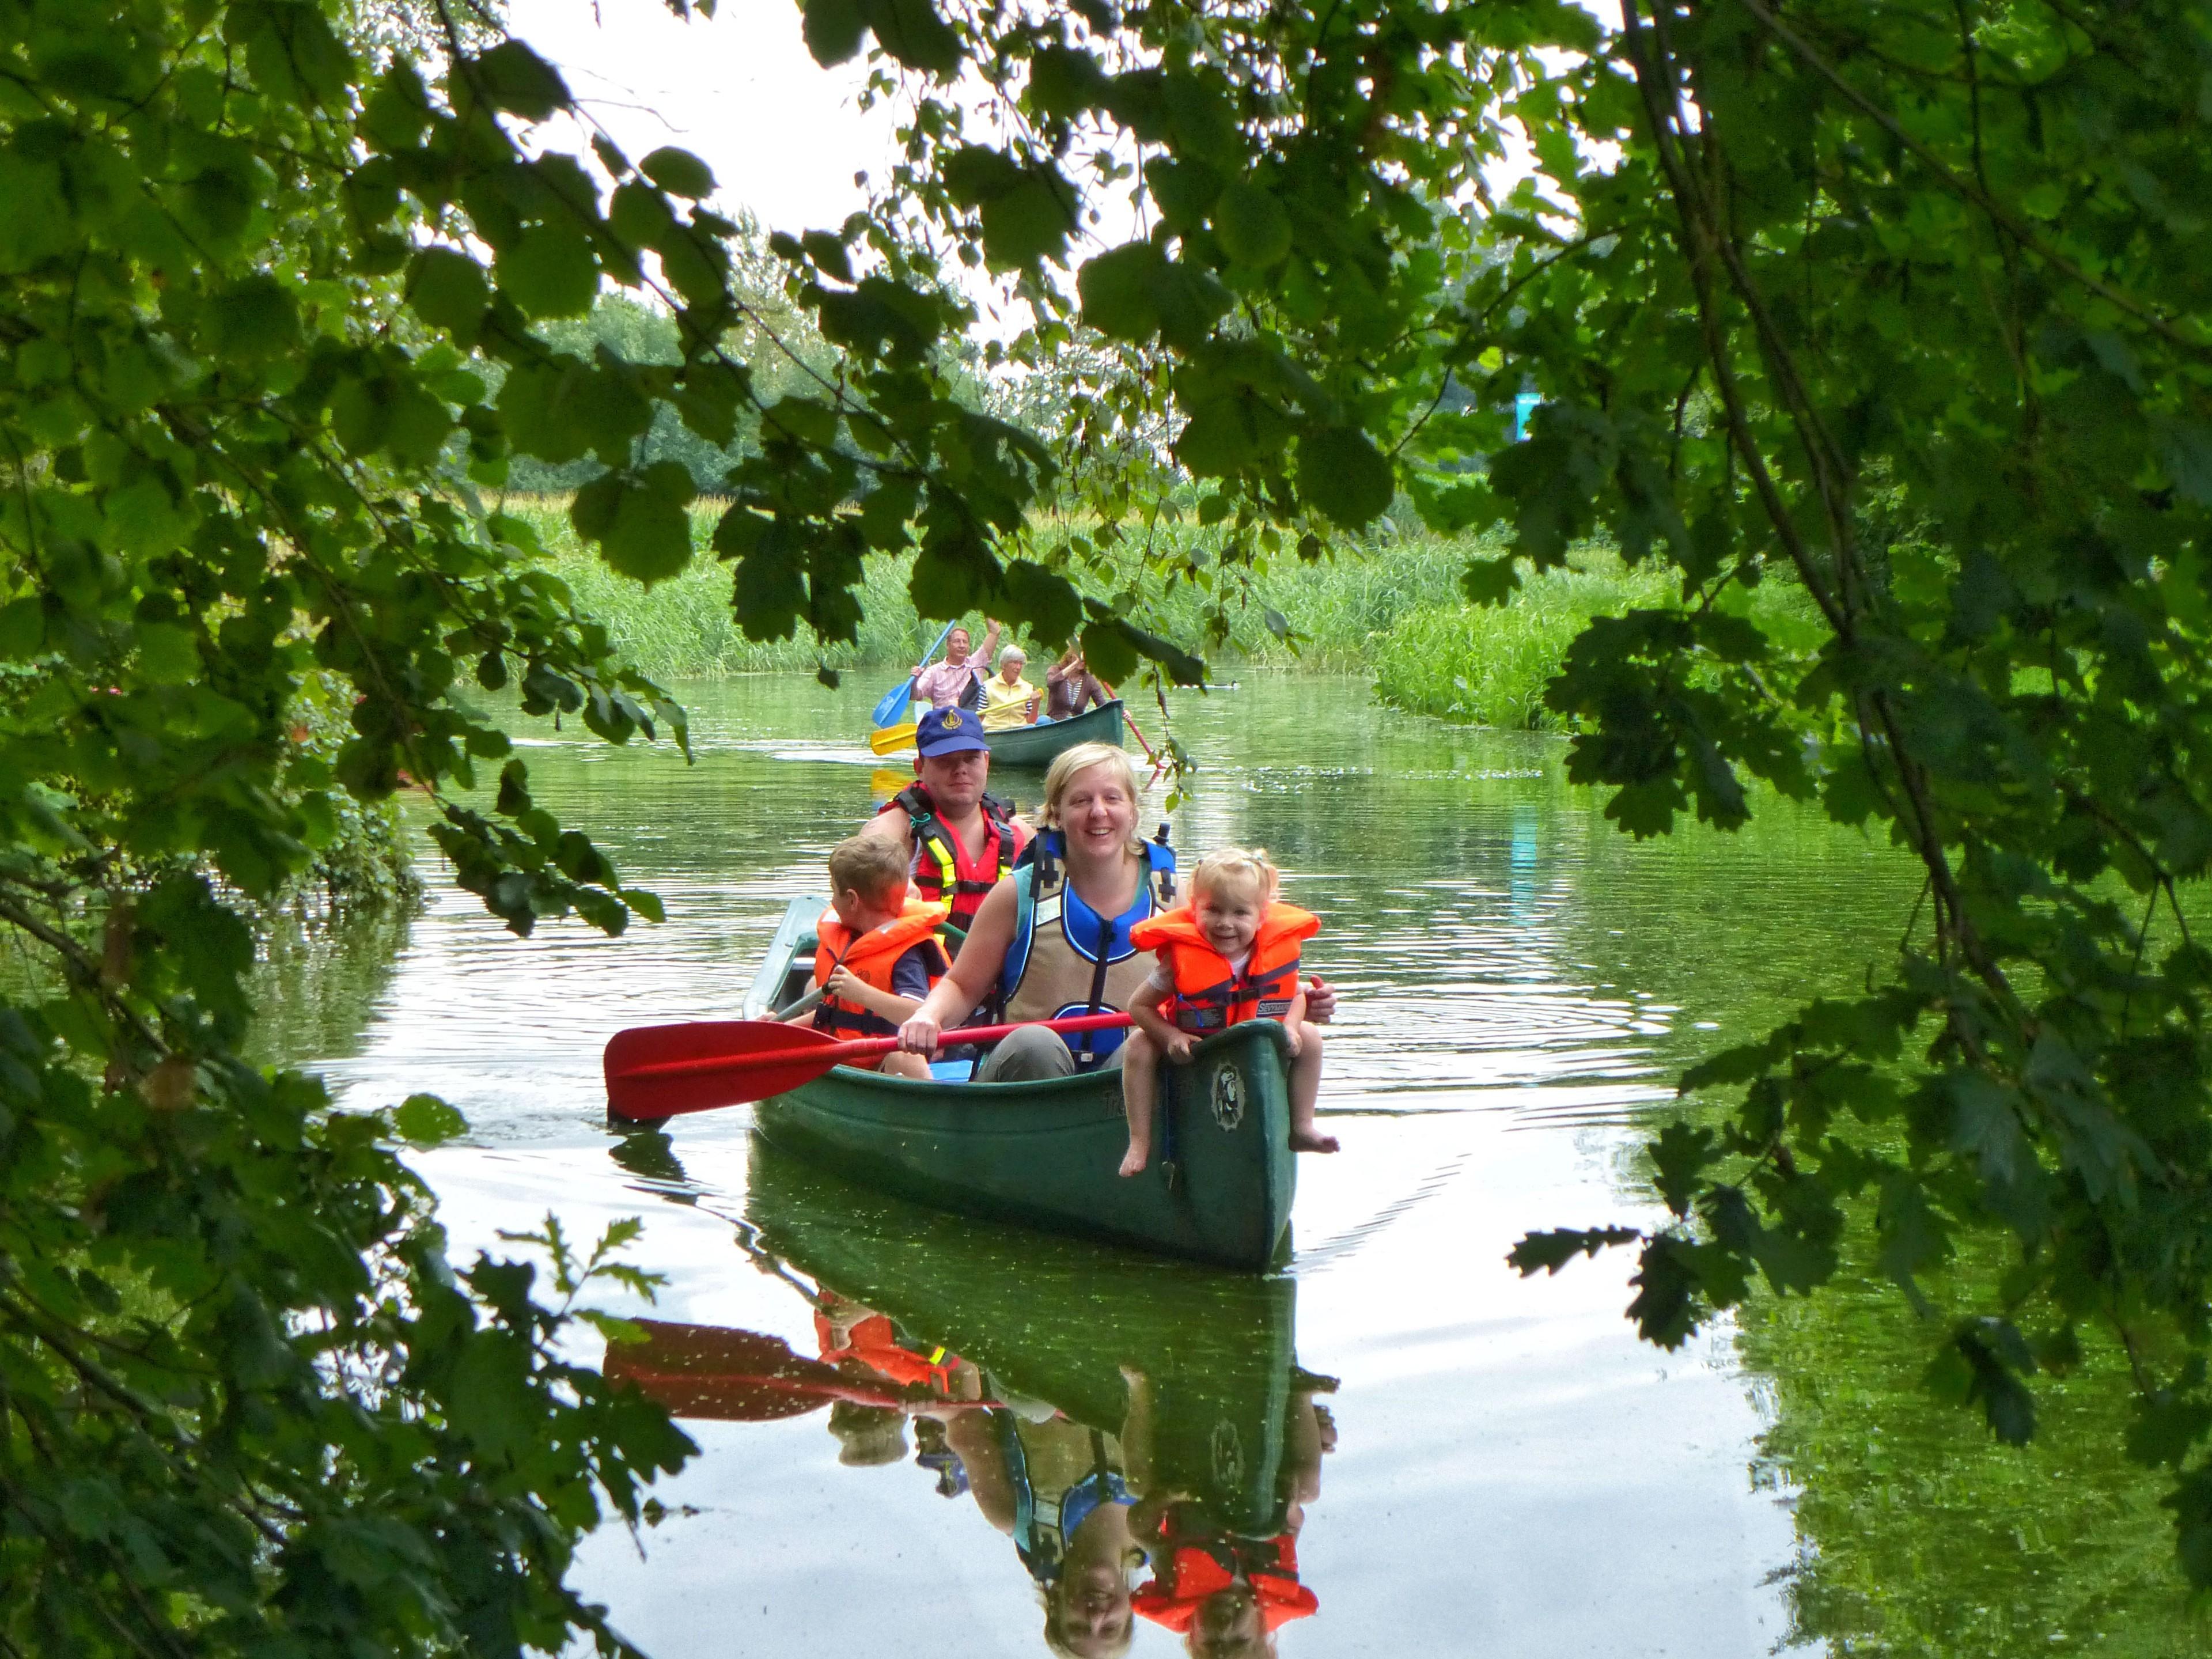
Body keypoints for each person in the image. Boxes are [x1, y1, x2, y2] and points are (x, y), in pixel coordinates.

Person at [897, 743, 1176, 1082]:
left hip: (1124, 1092)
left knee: (1147, 1042)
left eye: (1113, 799)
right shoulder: (1018, 893)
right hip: (1027, 1087)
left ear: (1132, 811)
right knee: (1036, 1042)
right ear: (1056, 814)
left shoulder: (1175, 899)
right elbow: (962, 986)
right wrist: (928, 1015)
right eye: (1081, 801)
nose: (1098, 812)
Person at [1118, 848, 1336, 1176]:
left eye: (1240, 913)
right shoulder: (1176, 962)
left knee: (1311, 1036)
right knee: (1137, 1044)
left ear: (1262, 916)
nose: (1225, 924)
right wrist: (1171, 1037)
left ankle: (1302, 1127)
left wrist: (1290, 1027)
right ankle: (1140, 1142)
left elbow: (1295, 995)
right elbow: (1139, 1006)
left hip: (1251, 1042)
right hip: (1195, 1044)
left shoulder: (1273, 951)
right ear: (1194, 909)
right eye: (1214, 910)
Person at [859, 705, 1031, 943]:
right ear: (920, 768)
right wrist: (894, 881)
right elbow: (870, 846)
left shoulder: (1018, 830)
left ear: (986, 762)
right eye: (945, 761)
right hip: (921, 972)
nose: (960, 770)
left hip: (994, 970)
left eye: (971, 759)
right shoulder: (900, 826)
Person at [796, 834, 948, 1079]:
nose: (832, 901)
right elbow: (830, 1014)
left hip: (884, 1066)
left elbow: (920, 1013)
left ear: (853, 900)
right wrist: (772, 1030)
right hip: (841, 1053)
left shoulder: (906, 953)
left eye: (834, 891)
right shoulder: (851, 940)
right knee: (812, 989)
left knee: (904, 1057)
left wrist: (861, 994)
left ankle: (933, 1110)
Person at [911, 618, 1001, 711]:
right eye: (957, 641)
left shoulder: (977, 663)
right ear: (948, 645)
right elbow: (915, 695)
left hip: (972, 720)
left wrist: (981, 605)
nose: (961, 646)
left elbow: (995, 631)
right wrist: (915, 680)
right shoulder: (933, 672)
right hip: (945, 721)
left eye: (965, 642)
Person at [981, 645, 1043, 730]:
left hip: (1020, 731)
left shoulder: (1028, 688)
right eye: (1014, 663)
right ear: (1003, 665)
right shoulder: (987, 686)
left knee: (1044, 720)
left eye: (1021, 663)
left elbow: (1031, 722)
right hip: (994, 731)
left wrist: (1036, 704)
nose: (1018, 667)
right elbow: (980, 718)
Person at [1046, 645, 1113, 721]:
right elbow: (1051, 683)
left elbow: (1102, 706)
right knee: (1042, 720)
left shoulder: (1089, 680)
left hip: (1077, 724)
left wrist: (1119, 712)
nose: (1083, 660)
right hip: (1054, 722)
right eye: (1079, 655)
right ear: (1070, 656)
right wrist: (1074, 664)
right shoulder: (1055, 670)